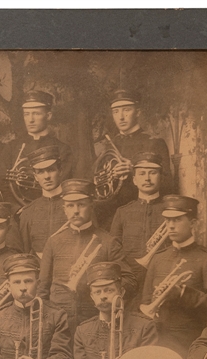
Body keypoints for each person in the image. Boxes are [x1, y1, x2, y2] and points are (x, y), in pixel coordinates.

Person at [38, 179, 136, 329]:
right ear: (64, 208)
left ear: (91, 206)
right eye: (70, 206)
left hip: (96, 318)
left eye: (81, 204)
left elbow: (129, 281)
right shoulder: (53, 242)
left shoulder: (108, 242)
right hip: (58, 321)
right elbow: (43, 287)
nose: (75, 211)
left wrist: (105, 292)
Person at [141, 195, 207, 357]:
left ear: (193, 223)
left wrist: (183, 294)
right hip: (158, 340)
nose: (170, 226)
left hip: (190, 341)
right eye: (167, 220)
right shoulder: (158, 258)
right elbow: (145, 302)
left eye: (177, 220)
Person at [92, 89, 172, 229]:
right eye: (116, 111)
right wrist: (111, 177)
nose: (121, 117)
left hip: (143, 216)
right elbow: (99, 186)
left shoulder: (154, 142)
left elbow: (169, 185)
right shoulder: (109, 146)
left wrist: (135, 171)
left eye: (126, 110)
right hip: (112, 218)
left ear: (138, 112)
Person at [0, 91, 74, 204]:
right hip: (16, 211)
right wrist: (16, 210)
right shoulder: (11, 147)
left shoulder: (62, 149)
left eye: (36, 114)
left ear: (48, 116)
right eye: (26, 114)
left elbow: (63, 185)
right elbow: (0, 183)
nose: (31, 119)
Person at [108, 151, 168, 295]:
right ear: (134, 180)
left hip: (163, 280)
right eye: (141, 174)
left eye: (152, 173)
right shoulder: (123, 212)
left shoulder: (170, 210)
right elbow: (114, 250)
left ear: (161, 178)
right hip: (131, 282)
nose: (147, 178)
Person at [17, 145, 68, 256]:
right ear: (35, 176)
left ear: (60, 171)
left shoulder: (75, 205)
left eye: (51, 170)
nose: (46, 176)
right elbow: (25, 253)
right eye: (40, 172)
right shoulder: (28, 212)